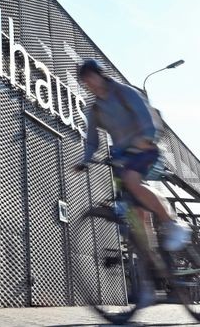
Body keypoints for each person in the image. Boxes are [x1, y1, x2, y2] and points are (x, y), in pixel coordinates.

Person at [73, 59, 192, 252]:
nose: (89, 84)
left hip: (145, 149)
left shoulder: (123, 92)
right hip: (125, 158)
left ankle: (173, 223)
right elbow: (93, 142)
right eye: (85, 82)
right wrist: (84, 161)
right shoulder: (95, 109)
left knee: (132, 181)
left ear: (100, 74)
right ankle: (153, 263)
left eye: (90, 78)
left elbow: (147, 117)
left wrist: (145, 139)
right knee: (137, 213)